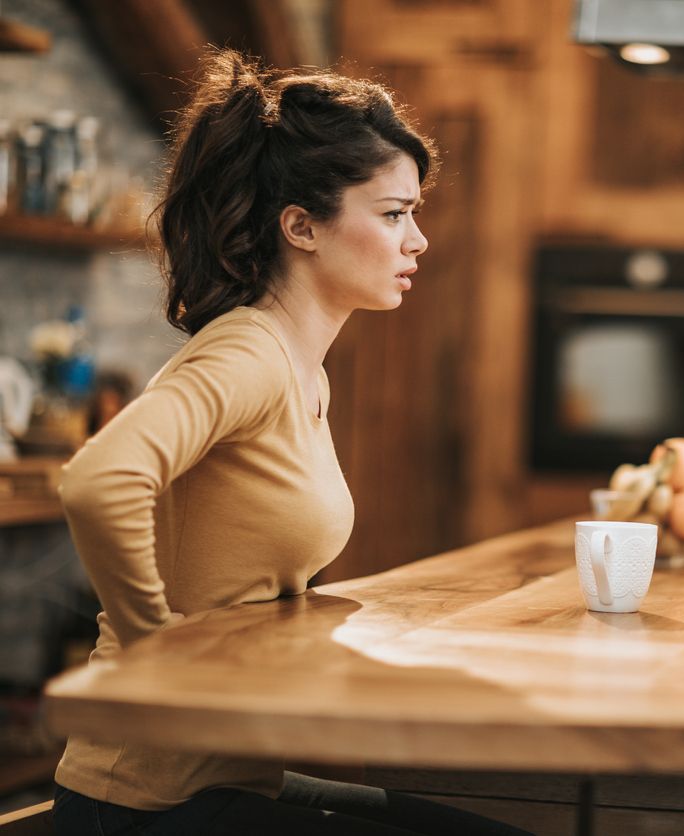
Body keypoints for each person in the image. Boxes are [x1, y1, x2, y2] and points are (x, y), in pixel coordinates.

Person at [51, 48, 532, 836]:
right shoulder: (247, 353)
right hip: (142, 801)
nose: (417, 242)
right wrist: (153, 651)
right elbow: (99, 479)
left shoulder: (303, 369)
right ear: (301, 226)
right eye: (392, 214)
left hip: (236, 781)